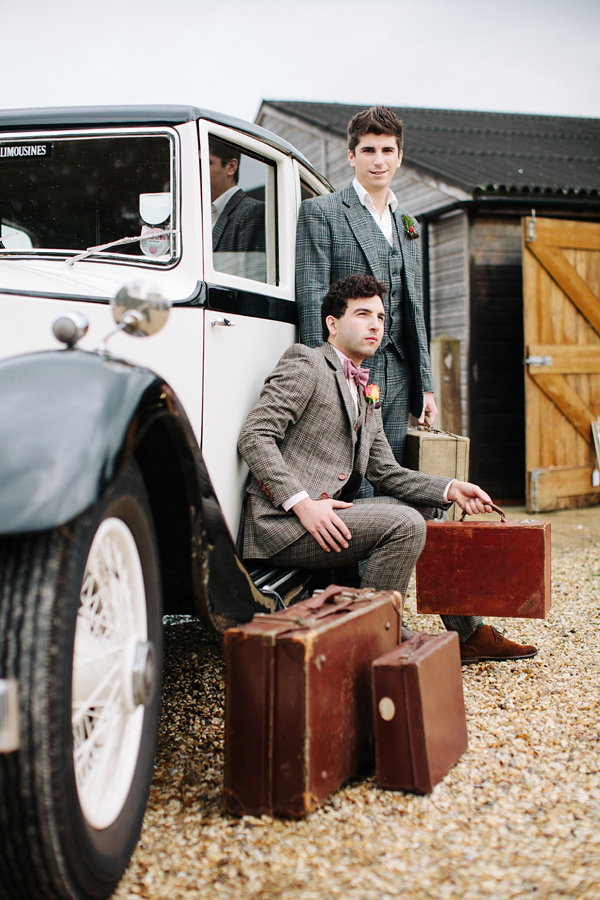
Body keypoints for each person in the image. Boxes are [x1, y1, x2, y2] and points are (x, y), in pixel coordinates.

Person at [238, 275, 537, 663]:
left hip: (328, 516)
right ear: (332, 323)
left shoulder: (366, 389)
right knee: (405, 523)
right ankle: (373, 637)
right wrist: (302, 504)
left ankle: (468, 635)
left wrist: (451, 488)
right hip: (283, 525)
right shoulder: (306, 363)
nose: (375, 325)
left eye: (380, 316)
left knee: (428, 508)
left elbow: (385, 470)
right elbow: (255, 435)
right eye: (362, 314)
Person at [296, 106, 436, 471]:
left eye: (387, 150)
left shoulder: (409, 223)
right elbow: (313, 299)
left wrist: (425, 385)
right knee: (350, 474)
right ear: (351, 155)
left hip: (400, 372)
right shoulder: (322, 211)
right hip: (347, 369)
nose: (379, 160)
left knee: (391, 475)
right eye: (369, 150)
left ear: (400, 156)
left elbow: (414, 308)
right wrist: (321, 381)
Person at [208, 137, 265, 256]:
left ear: (231, 166)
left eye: (207, 163)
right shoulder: (197, 216)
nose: (198, 169)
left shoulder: (253, 212)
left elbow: (252, 271)